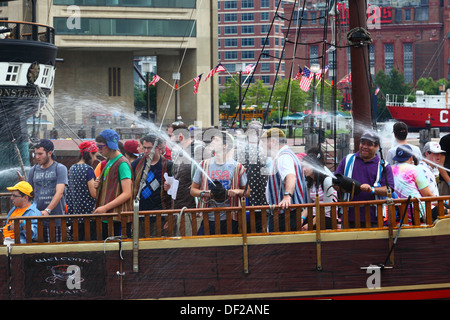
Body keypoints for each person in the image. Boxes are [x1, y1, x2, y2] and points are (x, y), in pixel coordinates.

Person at [191, 130, 248, 235]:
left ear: (225, 146)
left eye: (216, 140)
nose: (212, 142)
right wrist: (205, 193)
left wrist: (236, 191)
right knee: (204, 248)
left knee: (228, 249)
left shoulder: (237, 167)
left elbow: (247, 192)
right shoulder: (203, 165)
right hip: (208, 218)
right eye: (212, 139)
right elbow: (193, 190)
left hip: (230, 219)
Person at [334, 130, 395, 228]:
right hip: (348, 216)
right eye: (363, 143)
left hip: (373, 217)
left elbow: (389, 189)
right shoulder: (347, 159)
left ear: (377, 147)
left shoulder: (384, 166)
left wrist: (372, 190)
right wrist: (341, 187)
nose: (365, 146)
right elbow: (335, 182)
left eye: (369, 144)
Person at [260, 128, 307, 231]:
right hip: (289, 213)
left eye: (263, 142)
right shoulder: (287, 154)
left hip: (284, 214)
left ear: (273, 141)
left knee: (279, 245)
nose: (261, 146)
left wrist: (287, 196)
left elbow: (290, 176)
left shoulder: (283, 156)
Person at [22, 139, 68, 242]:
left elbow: (59, 192)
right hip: (36, 220)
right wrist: (22, 184)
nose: (37, 157)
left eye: (40, 154)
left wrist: (48, 210)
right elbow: (29, 193)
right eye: (35, 154)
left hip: (55, 219)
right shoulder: (33, 170)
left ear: (50, 153)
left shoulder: (60, 168)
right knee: (37, 254)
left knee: (55, 253)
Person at [94, 129, 133, 238]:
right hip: (109, 217)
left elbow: (127, 193)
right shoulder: (109, 161)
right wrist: (99, 184)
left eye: (100, 147)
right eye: (97, 146)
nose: (98, 150)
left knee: (118, 253)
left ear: (110, 145)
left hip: (117, 218)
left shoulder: (122, 164)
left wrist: (105, 207)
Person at [132, 134, 173, 235]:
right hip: (140, 214)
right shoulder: (136, 164)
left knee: (158, 247)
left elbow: (174, 195)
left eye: (149, 148)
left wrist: (170, 217)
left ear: (158, 147)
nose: (146, 151)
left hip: (161, 215)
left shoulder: (168, 165)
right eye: (144, 148)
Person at [235, 121, 268, 233]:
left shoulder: (238, 151)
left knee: (245, 230)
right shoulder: (265, 152)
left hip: (244, 199)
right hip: (261, 200)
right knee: (259, 230)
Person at [392, 144, 434, 222]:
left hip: (402, 213)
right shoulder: (415, 169)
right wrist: (443, 205)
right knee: (447, 212)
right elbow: (427, 195)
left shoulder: (390, 169)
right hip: (420, 211)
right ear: (411, 158)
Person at [66, 141, 98, 240]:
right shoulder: (88, 169)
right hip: (88, 215)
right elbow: (93, 194)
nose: (95, 159)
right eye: (94, 155)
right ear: (89, 154)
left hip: (75, 215)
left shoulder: (72, 168)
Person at [301, 147, 337, 230]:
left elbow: (327, 207)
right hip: (313, 215)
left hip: (326, 217)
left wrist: (311, 223)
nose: (304, 169)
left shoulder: (327, 180)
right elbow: (309, 205)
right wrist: (301, 218)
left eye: (307, 166)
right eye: (303, 166)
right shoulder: (309, 182)